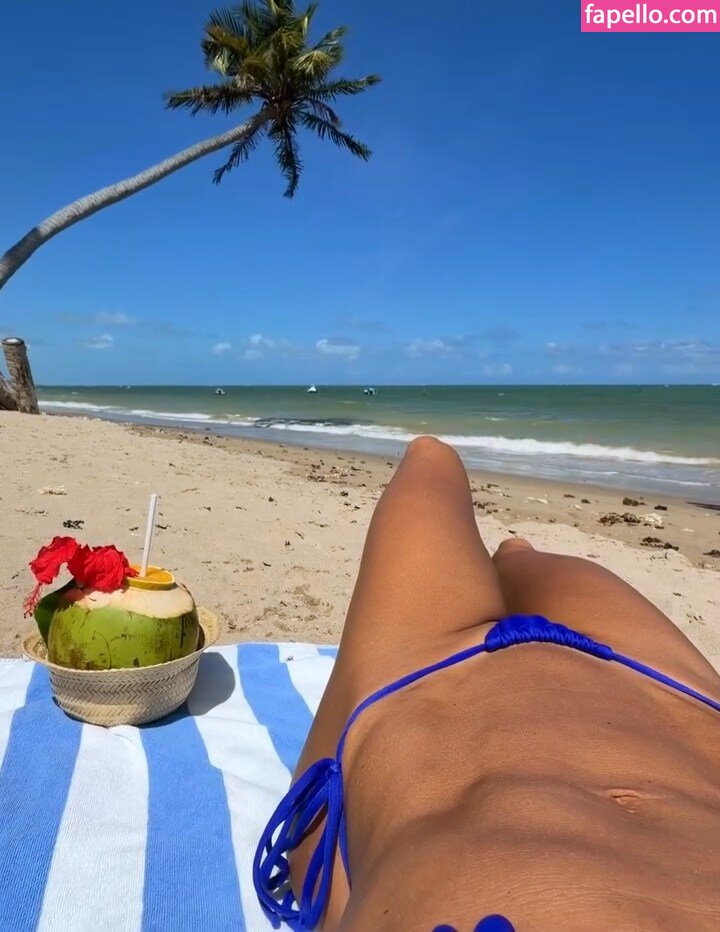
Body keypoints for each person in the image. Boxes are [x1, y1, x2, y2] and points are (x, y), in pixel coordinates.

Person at [256, 437, 720, 930]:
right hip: (662, 690)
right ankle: (513, 556)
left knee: (431, 458)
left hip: (418, 682)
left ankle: (510, 560)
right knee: (513, 551)